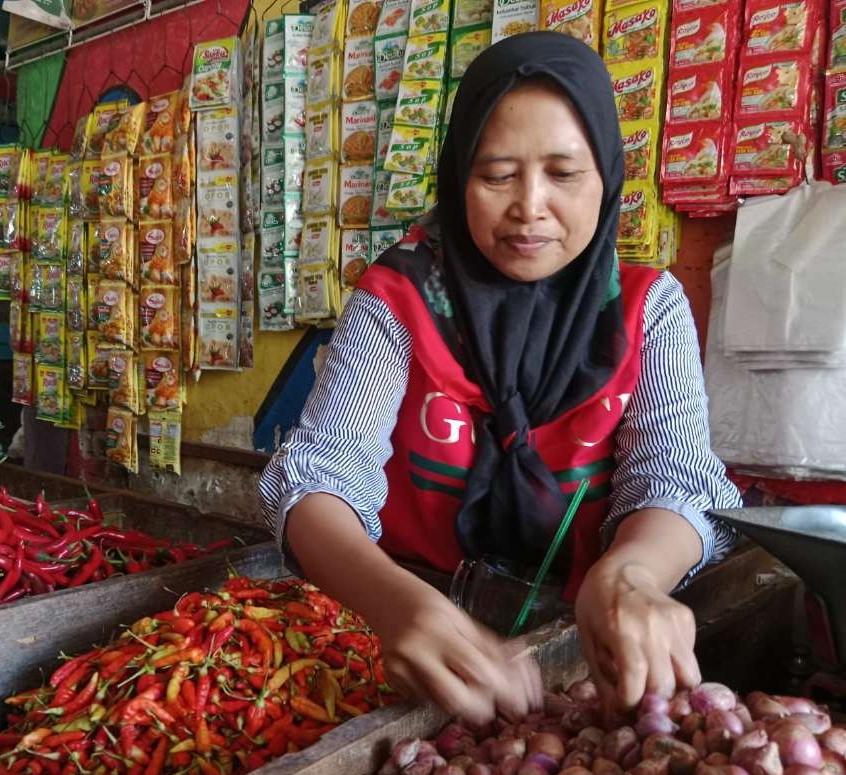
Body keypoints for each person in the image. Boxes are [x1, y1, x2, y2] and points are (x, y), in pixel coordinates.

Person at [258, 32, 742, 725]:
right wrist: (395, 602)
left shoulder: (646, 309)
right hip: (406, 655)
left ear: (607, 176)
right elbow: (318, 475)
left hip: (582, 658)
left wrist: (630, 575)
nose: (529, 206)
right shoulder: (398, 298)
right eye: (496, 174)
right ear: (458, 179)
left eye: (564, 173)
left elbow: (677, 477)